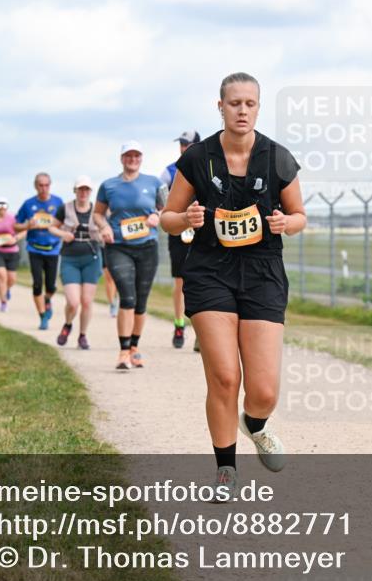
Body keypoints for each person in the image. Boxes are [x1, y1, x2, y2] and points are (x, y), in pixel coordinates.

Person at [160, 72, 307, 496]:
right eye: (234, 103)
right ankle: (226, 469)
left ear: (258, 108)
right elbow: (168, 217)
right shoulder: (198, 158)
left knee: (262, 390)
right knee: (224, 376)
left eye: (250, 103)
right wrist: (185, 219)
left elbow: (299, 215)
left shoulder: (277, 158)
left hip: (262, 272)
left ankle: (255, 425)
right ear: (220, 107)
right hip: (209, 269)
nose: (242, 110)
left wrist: (286, 223)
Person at [94, 141, 167, 370]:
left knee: (141, 301)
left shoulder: (154, 183)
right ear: (122, 158)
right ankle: (123, 351)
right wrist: (103, 227)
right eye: (128, 155)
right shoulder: (109, 185)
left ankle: (135, 347)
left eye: (136, 155)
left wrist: (158, 215)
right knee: (127, 297)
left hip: (147, 246)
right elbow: (98, 214)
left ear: (142, 158)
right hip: (118, 246)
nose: (132, 159)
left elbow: (167, 208)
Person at [49, 176, 102, 349]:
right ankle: (68, 324)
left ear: (90, 192)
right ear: (75, 191)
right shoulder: (64, 208)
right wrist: (63, 234)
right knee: (73, 302)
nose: (83, 193)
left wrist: (104, 234)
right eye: (80, 189)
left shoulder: (97, 211)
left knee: (86, 301)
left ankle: (83, 335)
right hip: (70, 258)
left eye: (86, 190)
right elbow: (51, 226)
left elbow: (107, 227)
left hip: (92, 258)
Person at [161, 130, 200, 349]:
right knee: (180, 281)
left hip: (201, 230)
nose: (183, 148)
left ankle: (200, 332)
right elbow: (158, 193)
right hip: (179, 229)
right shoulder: (170, 170)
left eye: (187, 144)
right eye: (181, 145)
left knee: (201, 279)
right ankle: (179, 324)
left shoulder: (206, 165)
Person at [14, 173, 64, 330]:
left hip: (53, 249)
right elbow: (16, 225)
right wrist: (27, 225)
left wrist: (56, 227)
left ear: (50, 185)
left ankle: (47, 299)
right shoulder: (28, 204)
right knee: (37, 284)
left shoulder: (58, 202)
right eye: (40, 185)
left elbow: (64, 223)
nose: (44, 188)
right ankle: (42, 317)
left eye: (46, 185)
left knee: (51, 286)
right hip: (34, 248)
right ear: (35, 186)